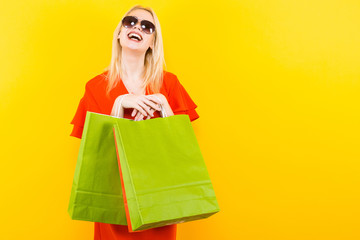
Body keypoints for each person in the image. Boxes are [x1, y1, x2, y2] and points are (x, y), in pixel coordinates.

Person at [69, 4, 199, 240]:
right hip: (113, 199)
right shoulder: (95, 87)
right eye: (130, 22)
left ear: (152, 42)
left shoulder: (168, 83)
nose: (137, 27)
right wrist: (119, 105)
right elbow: (95, 153)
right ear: (119, 33)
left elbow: (182, 150)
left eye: (147, 26)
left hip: (159, 197)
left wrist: (163, 104)